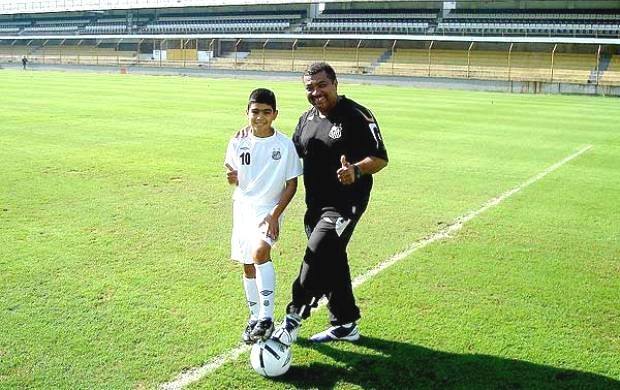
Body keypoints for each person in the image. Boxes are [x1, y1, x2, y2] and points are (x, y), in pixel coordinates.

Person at [272, 62, 388, 345]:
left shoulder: (356, 115)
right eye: (309, 88)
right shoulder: (306, 120)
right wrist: (252, 138)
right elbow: (289, 155)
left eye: (321, 85)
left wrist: (356, 170)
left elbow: (380, 158)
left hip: (345, 204)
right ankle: (345, 323)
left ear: (335, 83)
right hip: (315, 205)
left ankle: (292, 318)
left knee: (318, 253)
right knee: (333, 259)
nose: (316, 92)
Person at [224, 88, 303, 344]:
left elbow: (292, 184)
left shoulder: (284, 145)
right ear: (247, 113)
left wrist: (274, 215)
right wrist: (231, 176)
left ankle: (267, 317)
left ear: (275, 114)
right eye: (255, 112)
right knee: (247, 264)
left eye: (266, 112)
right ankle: (254, 317)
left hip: (268, 210)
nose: (260, 117)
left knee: (260, 252)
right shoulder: (238, 141)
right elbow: (232, 170)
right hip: (242, 208)